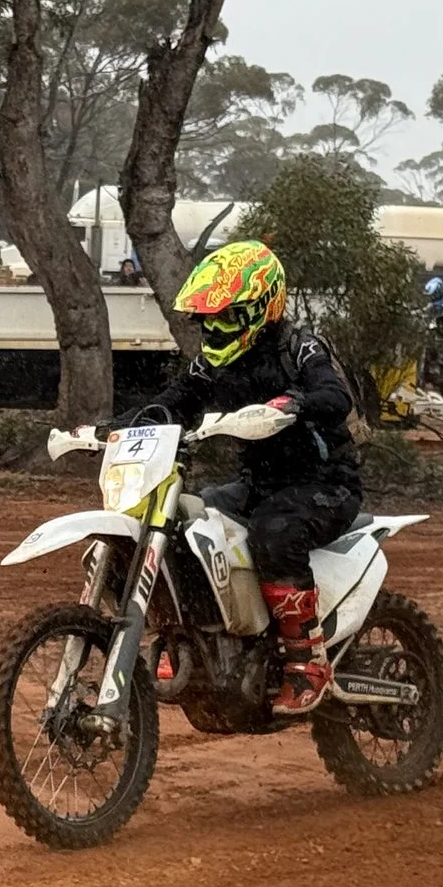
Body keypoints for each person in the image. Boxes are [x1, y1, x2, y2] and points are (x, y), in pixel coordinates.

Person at [140, 240, 362, 715]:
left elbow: (335, 395)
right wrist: (129, 423)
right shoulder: (214, 361)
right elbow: (177, 398)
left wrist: (296, 403)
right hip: (258, 483)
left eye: (226, 317)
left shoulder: (299, 348)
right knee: (186, 521)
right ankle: (188, 640)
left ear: (263, 307)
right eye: (207, 319)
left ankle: (307, 661)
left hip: (325, 484)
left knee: (273, 533)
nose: (214, 328)